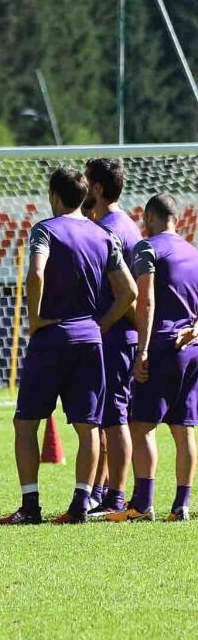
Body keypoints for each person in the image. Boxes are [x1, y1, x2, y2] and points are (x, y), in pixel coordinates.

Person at [0, 167, 135, 525]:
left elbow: (37, 272)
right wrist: (101, 324)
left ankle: (30, 507)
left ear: (55, 198)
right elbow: (130, 292)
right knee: (88, 426)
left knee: (26, 423)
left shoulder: (45, 229)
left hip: (53, 337)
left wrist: (34, 318)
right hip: (90, 340)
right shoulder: (104, 236)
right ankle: (80, 505)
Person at [108, 194, 198, 523]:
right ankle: (181, 506)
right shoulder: (194, 252)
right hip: (191, 348)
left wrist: (142, 349)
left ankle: (142, 505)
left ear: (148, 218)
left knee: (142, 424)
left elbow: (145, 302)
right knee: (184, 427)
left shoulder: (148, 249)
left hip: (160, 344)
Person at [82, 158, 140, 517]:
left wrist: (102, 324)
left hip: (117, 336)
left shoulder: (109, 230)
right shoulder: (125, 224)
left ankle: (116, 497)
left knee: (115, 416)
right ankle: (103, 492)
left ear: (98, 188)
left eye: (88, 182)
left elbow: (129, 293)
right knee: (107, 416)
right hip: (122, 335)